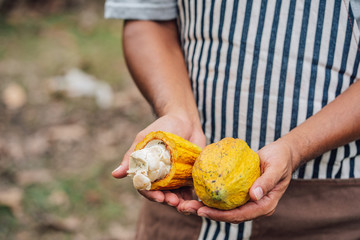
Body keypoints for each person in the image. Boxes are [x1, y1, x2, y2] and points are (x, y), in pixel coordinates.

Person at [106, 0, 360, 239]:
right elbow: (147, 17)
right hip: (182, 198)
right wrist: (177, 110)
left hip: (327, 206)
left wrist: (296, 148)